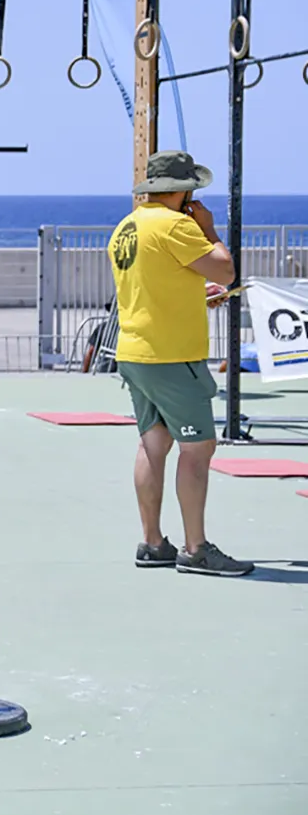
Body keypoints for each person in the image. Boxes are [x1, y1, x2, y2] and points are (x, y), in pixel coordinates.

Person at [109, 150, 250, 577]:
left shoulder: (125, 227)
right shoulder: (178, 225)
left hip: (135, 351)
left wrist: (194, 295)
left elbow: (154, 285)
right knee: (197, 447)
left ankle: (152, 542)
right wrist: (210, 230)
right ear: (184, 189)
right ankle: (196, 548)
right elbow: (225, 270)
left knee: (153, 444)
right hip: (173, 356)